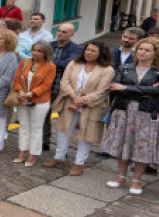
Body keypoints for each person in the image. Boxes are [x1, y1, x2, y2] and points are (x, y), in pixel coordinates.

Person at [102, 37, 159, 196]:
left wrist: (126, 88)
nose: (142, 52)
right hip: (124, 111)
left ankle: (136, 180)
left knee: (142, 146)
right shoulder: (125, 68)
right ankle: (121, 176)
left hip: (147, 113)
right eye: (140, 49)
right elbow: (115, 87)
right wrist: (144, 90)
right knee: (123, 143)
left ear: (155, 53)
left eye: (147, 50)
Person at [45, 41, 114, 176]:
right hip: (70, 102)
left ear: (101, 53)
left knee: (86, 135)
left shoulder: (107, 70)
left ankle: (79, 163)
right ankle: (59, 157)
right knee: (63, 130)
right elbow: (64, 82)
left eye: (93, 51)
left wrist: (81, 101)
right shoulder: (74, 64)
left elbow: (102, 92)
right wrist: (73, 97)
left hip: (92, 106)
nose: (89, 53)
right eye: (87, 50)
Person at [11, 41, 55, 166]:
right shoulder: (25, 62)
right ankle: (22, 150)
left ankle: (33, 154)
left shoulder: (50, 66)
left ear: (46, 53)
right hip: (22, 98)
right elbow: (17, 79)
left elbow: (46, 85)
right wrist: (20, 92)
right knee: (24, 126)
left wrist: (30, 94)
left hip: (39, 100)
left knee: (36, 128)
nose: (35, 53)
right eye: (34, 50)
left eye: (39, 51)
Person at [42, 23, 84, 150]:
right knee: (44, 115)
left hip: (63, 88)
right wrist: (57, 64)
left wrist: (50, 64)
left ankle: (62, 149)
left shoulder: (76, 49)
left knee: (64, 119)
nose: (60, 33)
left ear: (72, 34)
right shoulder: (49, 45)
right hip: (47, 85)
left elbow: (69, 65)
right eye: (59, 31)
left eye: (64, 32)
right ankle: (44, 142)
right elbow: (40, 61)